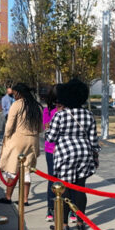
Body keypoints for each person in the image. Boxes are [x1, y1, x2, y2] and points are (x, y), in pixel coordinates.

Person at [45, 78, 100, 230]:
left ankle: (63, 224)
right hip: (84, 151)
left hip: (65, 153)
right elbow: (94, 140)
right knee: (80, 187)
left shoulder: (60, 115)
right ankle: (81, 221)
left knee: (64, 189)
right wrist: (95, 155)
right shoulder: (88, 115)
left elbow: (51, 138)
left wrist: (48, 130)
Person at [0, 83, 42, 207]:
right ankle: (25, 199)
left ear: (18, 93)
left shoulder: (17, 105)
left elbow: (9, 125)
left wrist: (7, 135)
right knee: (26, 170)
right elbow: (40, 127)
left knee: (12, 169)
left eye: (14, 93)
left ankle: (8, 196)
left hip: (18, 139)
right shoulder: (36, 105)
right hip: (33, 139)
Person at [43, 85, 63, 221]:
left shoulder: (48, 110)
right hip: (54, 147)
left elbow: (46, 127)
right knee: (59, 179)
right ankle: (52, 208)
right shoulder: (49, 110)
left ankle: (51, 209)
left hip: (54, 148)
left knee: (53, 178)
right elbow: (47, 127)